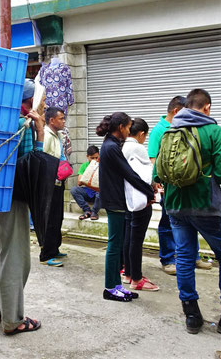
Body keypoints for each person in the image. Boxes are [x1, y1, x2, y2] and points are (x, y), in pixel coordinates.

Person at [154, 88, 221, 334]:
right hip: (206, 206)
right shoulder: (215, 132)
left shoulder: (168, 132)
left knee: (183, 257)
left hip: (174, 205)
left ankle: (191, 315)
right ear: (206, 108)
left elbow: (157, 174)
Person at [0, 79, 43, 335]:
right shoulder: (22, 124)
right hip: (12, 197)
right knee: (15, 259)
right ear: (28, 101)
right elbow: (30, 164)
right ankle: (13, 320)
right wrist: (39, 134)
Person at [148, 96, 211, 274]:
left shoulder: (186, 127)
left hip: (188, 188)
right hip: (169, 188)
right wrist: (159, 184)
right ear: (177, 111)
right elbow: (154, 159)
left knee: (191, 222)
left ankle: (194, 257)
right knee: (167, 224)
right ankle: (168, 259)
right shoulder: (159, 130)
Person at [97, 112, 155, 302]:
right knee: (114, 245)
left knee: (118, 244)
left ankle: (116, 285)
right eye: (129, 127)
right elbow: (129, 174)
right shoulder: (111, 147)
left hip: (116, 200)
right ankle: (109, 288)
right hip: (115, 202)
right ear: (121, 127)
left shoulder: (111, 145)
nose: (130, 131)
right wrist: (149, 191)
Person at [122, 118, 159, 291]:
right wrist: (151, 191)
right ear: (142, 134)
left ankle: (129, 273)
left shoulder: (122, 146)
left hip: (128, 200)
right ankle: (137, 279)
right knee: (136, 240)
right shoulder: (137, 147)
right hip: (140, 201)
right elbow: (146, 176)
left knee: (129, 237)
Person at [40, 106, 67, 267]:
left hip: (59, 181)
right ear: (52, 120)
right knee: (50, 218)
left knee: (58, 216)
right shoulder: (47, 135)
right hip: (51, 182)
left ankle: (55, 248)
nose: (64, 121)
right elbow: (44, 159)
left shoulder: (57, 135)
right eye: (61, 118)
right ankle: (46, 254)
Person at [71, 145, 101, 221]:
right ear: (87, 156)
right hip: (88, 191)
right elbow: (79, 182)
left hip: (99, 193)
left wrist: (87, 181)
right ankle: (87, 210)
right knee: (74, 190)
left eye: (96, 157)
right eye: (92, 158)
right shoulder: (84, 166)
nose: (95, 160)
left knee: (102, 191)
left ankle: (94, 212)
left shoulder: (102, 165)